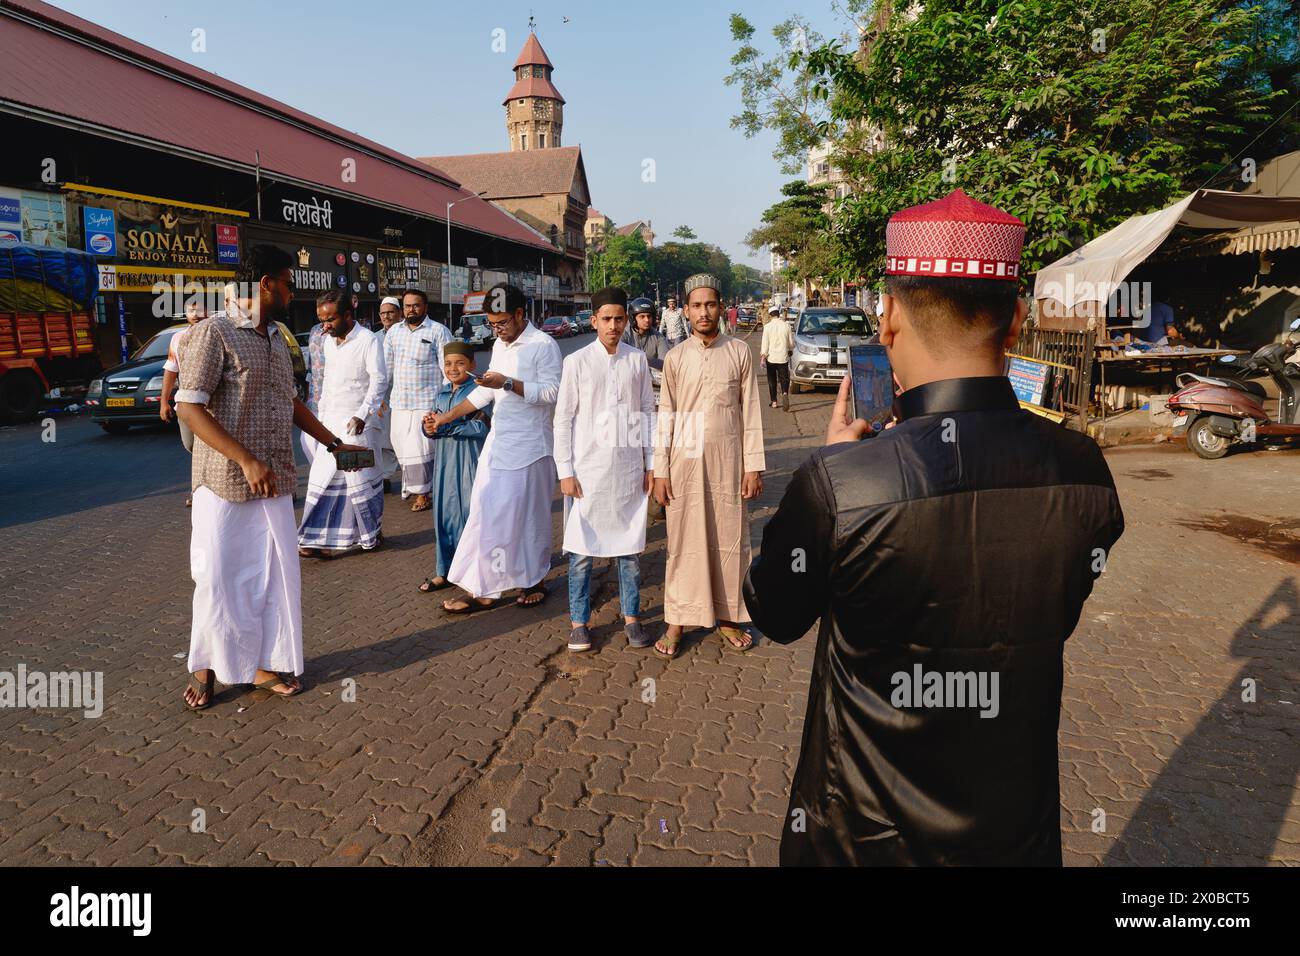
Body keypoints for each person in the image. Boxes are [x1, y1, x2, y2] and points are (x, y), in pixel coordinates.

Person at [743, 188, 1126, 866]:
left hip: (862, 840)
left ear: (886, 318)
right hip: (1014, 837)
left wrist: (830, 472)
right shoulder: (1084, 470)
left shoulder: (844, 483)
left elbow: (774, 614)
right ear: (1015, 325)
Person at [175, 245, 366, 711]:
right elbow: (189, 405)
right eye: (287, 281)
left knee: (273, 576)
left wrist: (334, 444)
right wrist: (244, 459)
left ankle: (261, 664)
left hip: (275, 479)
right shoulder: (214, 332)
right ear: (264, 284)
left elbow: (291, 402)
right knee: (220, 577)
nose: (291, 290)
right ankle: (206, 665)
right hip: (224, 480)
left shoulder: (276, 336)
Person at [428, 283, 562, 613]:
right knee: (487, 515)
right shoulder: (500, 345)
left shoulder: (543, 345)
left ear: (520, 314)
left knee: (529, 520)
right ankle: (485, 587)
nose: (497, 329)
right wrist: (446, 418)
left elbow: (553, 393)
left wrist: (506, 382)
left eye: (502, 322)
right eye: (492, 323)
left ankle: (534, 580)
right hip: (500, 443)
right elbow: (484, 394)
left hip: (532, 447)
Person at [652, 273, 766, 658]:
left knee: (730, 538)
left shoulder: (738, 352)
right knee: (683, 542)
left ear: (720, 307)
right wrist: (661, 470)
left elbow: (750, 409)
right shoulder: (675, 357)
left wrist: (753, 465)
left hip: (728, 459)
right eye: (696, 305)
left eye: (710, 304)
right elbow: (665, 415)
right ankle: (677, 620)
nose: (704, 312)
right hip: (683, 461)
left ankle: (729, 616)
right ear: (686, 311)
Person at [554, 287, 657, 652]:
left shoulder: (636, 360)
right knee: (582, 554)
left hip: (629, 470)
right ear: (594, 320)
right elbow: (563, 419)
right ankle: (580, 623)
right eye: (606, 319)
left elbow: (647, 413)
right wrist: (565, 470)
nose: (613, 325)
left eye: (619, 319)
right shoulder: (577, 362)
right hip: (588, 472)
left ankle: (632, 618)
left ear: (626, 321)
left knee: (628, 552)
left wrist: (651, 463)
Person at [297, 291, 389, 558]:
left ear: (348, 316)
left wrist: (363, 414)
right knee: (321, 480)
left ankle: (369, 535)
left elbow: (379, 381)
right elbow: (328, 384)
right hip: (330, 426)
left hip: (358, 427)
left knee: (359, 482)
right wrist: (319, 422)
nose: (324, 326)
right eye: (321, 319)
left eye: (330, 319)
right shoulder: (328, 342)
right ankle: (313, 540)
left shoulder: (367, 340)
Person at [417, 341, 490, 593]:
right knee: (443, 517)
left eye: (460, 363)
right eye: (448, 363)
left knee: (470, 517)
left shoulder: (479, 392)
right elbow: (435, 428)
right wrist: (428, 427)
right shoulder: (442, 393)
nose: (453, 368)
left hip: (470, 461)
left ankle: (472, 573)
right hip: (445, 464)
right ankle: (445, 571)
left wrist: (448, 425)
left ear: (472, 365)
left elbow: (483, 428)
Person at [384, 288, 452, 511]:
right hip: (400, 403)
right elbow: (385, 369)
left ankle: (423, 493)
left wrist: (444, 404)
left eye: (416, 305)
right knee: (402, 448)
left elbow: (448, 369)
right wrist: (378, 398)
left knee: (420, 450)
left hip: (426, 403)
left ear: (425, 307)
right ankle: (417, 487)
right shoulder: (394, 332)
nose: (411, 309)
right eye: (407, 306)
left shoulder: (438, 331)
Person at [160, 298, 209, 506]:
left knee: (209, 448)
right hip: (186, 404)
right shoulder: (178, 338)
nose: (195, 314)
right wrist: (164, 401)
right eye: (191, 310)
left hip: (214, 405)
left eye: (200, 310)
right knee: (192, 445)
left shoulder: (218, 334)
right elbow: (171, 370)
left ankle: (200, 493)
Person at [374, 296, 403, 486]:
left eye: (390, 312)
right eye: (383, 313)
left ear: (399, 313)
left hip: (405, 394)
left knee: (404, 438)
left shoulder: (406, 334)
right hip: (384, 397)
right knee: (384, 438)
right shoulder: (374, 338)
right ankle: (385, 478)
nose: (387, 316)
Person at [299, 320, 327, 464]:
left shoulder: (339, 330)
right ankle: (318, 469)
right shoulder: (315, 329)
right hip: (315, 393)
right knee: (307, 440)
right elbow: (311, 362)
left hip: (333, 395)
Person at [760, 310, 794, 411]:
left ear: (770, 315)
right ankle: (784, 393)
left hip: (771, 358)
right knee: (784, 378)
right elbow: (791, 343)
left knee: (772, 380)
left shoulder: (767, 327)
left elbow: (765, 343)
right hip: (782, 357)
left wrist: (763, 356)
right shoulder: (786, 326)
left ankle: (774, 401)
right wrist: (790, 349)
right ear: (778, 315)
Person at [622, 296, 668, 366]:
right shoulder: (624, 335)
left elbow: (664, 363)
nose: (647, 320)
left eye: (649, 316)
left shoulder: (659, 337)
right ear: (633, 319)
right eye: (642, 316)